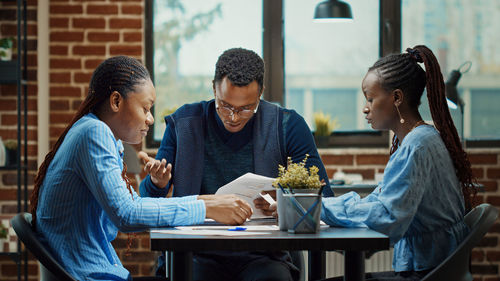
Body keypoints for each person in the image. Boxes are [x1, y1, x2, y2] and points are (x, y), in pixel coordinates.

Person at [29, 56, 253, 281]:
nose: (150, 119)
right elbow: (127, 215)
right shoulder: (94, 133)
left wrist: (189, 196)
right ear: (116, 101)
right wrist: (206, 206)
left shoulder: (96, 133)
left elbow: (129, 209)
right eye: (145, 108)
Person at [139, 47, 334, 281]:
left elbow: (324, 198)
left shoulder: (287, 125)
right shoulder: (184, 123)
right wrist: (156, 183)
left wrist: (288, 204)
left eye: (245, 109)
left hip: (264, 256)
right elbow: (147, 204)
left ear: (260, 94)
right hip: (197, 253)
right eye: (225, 105)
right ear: (214, 88)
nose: (233, 117)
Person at [321, 45, 477, 281]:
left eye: (371, 99)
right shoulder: (423, 137)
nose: (365, 108)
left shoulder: (417, 146)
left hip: (425, 273)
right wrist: (318, 207)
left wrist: (316, 209)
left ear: (396, 97)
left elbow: (387, 216)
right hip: (431, 268)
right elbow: (379, 202)